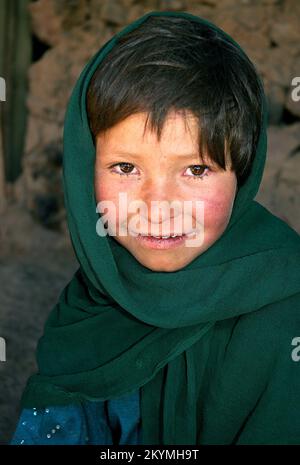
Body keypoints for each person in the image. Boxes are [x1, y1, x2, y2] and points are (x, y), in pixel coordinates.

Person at [10, 10, 300, 445]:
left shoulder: (286, 313)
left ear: (243, 172)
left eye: (196, 170)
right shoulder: (90, 304)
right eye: (125, 167)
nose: (158, 206)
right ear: (85, 169)